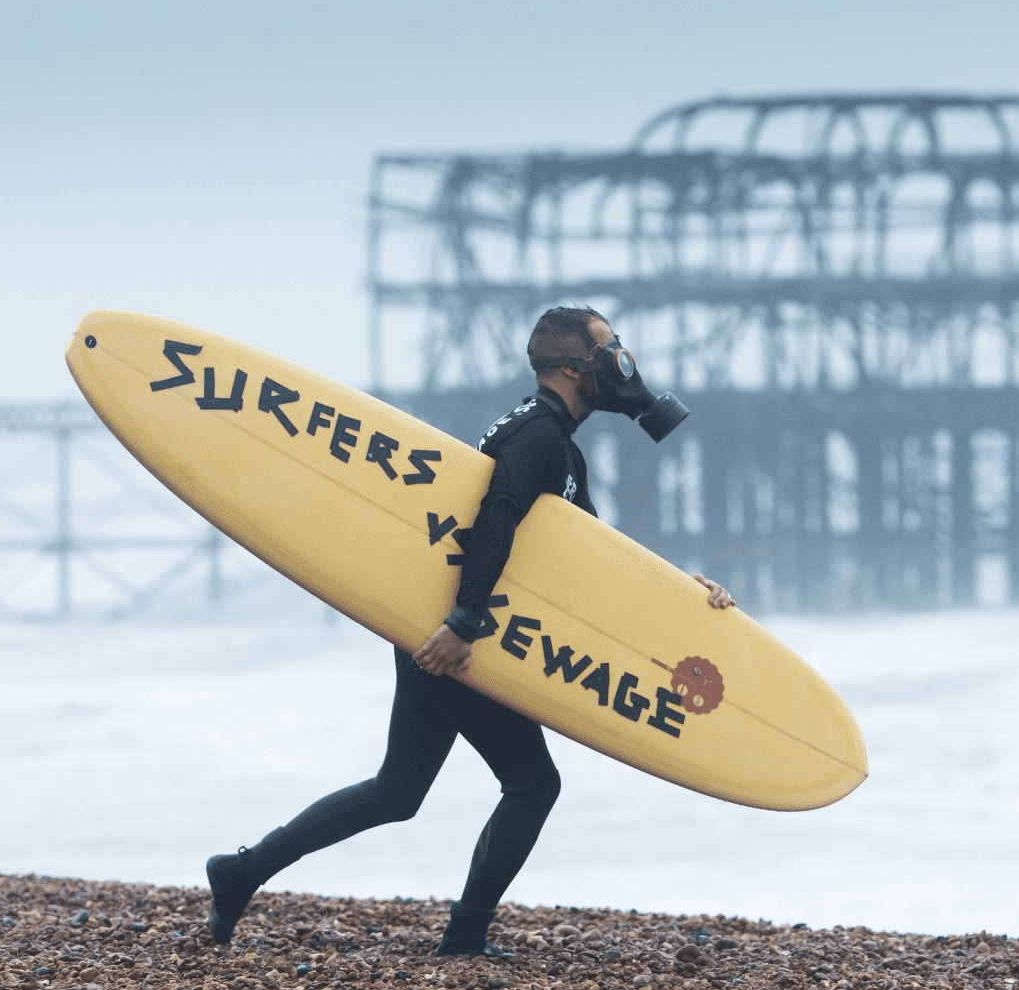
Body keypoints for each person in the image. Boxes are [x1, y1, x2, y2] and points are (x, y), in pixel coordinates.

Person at [204, 306, 735, 956]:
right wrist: (463, 622)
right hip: (462, 636)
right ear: (573, 368)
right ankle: (462, 938)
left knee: (398, 790)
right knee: (533, 784)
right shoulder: (538, 437)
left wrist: (689, 594)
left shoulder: (557, 446)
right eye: (608, 349)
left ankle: (240, 872)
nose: (621, 361)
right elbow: (497, 516)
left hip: (447, 628)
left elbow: (604, 571)